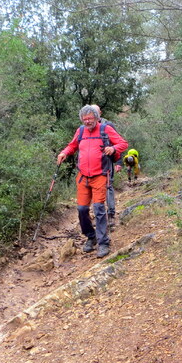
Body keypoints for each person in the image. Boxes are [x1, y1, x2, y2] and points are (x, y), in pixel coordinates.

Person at [57, 105, 128, 258]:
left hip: (100, 176)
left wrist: (114, 149)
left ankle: (103, 243)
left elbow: (123, 144)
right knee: (82, 209)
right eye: (85, 119)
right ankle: (91, 236)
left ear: (97, 118)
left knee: (99, 208)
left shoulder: (105, 129)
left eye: (90, 118)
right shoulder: (80, 131)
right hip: (83, 177)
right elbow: (73, 145)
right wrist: (64, 153)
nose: (87, 121)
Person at [91, 104, 121, 229]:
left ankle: (111, 215)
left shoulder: (108, 126)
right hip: (92, 166)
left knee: (108, 187)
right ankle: (99, 216)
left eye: (95, 113)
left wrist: (118, 162)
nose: (93, 116)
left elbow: (118, 143)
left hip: (107, 163)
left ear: (100, 113)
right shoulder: (85, 128)